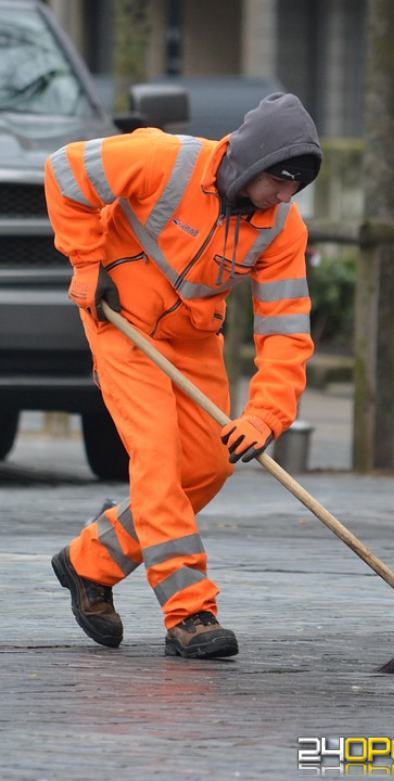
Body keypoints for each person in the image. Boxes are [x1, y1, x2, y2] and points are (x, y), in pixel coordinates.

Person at [44, 92, 322, 659]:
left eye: (296, 187)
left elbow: (286, 332)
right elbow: (63, 174)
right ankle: (189, 611)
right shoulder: (162, 158)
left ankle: (88, 563)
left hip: (192, 339)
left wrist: (266, 414)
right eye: (279, 180)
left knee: (207, 466)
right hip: (119, 321)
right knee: (158, 458)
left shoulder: (281, 229)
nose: (285, 195)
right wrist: (88, 264)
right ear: (252, 160)